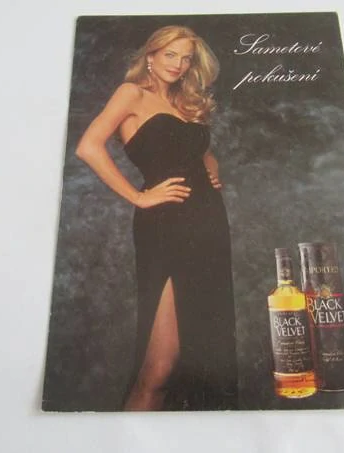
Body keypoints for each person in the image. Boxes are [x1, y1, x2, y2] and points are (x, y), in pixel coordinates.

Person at [75, 25, 238, 411]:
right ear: (151, 55)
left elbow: (200, 151)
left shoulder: (186, 103)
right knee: (160, 367)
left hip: (209, 227)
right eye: (170, 55)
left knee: (199, 356)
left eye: (186, 58)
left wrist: (211, 171)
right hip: (166, 227)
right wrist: (138, 196)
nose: (178, 64)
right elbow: (88, 147)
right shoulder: (131, 94)